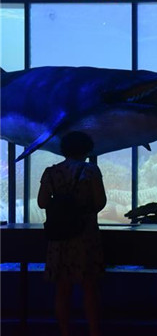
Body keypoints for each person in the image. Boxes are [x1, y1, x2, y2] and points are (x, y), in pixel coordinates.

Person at [37, 131, 107, 336]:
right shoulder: (91, 171)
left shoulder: (51, 172)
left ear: (64, 149)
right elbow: (100, 202)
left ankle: (65, 332)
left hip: (60, 237)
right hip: (85, 236)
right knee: (90, 289)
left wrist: (61, 207)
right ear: (87, 149)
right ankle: (94, 332)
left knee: (62, 290)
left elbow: (42, 202)